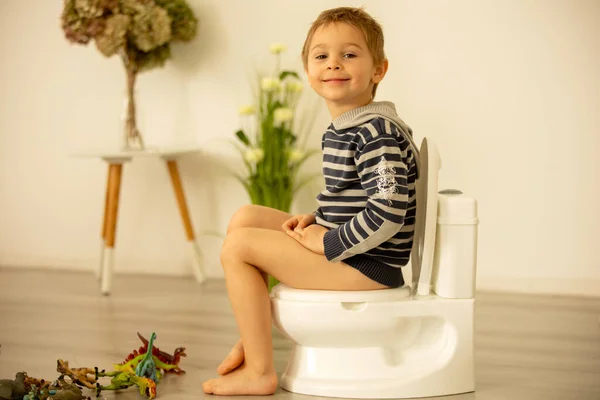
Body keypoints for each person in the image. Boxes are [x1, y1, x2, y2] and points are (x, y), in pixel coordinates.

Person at [202, 6, 418, 396]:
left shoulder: (376, 134)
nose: (334, 63)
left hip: (370, 265)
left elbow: (386, 213)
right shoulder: (350, 126)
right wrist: (316, 219)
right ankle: (254, 338)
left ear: (378, 70)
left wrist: (327, 240)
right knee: (244, 217)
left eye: (349, 54)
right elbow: (352, 197)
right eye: (321, 56)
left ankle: (259, 371)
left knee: (238, 247)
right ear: (308, 72)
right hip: (359, 252)